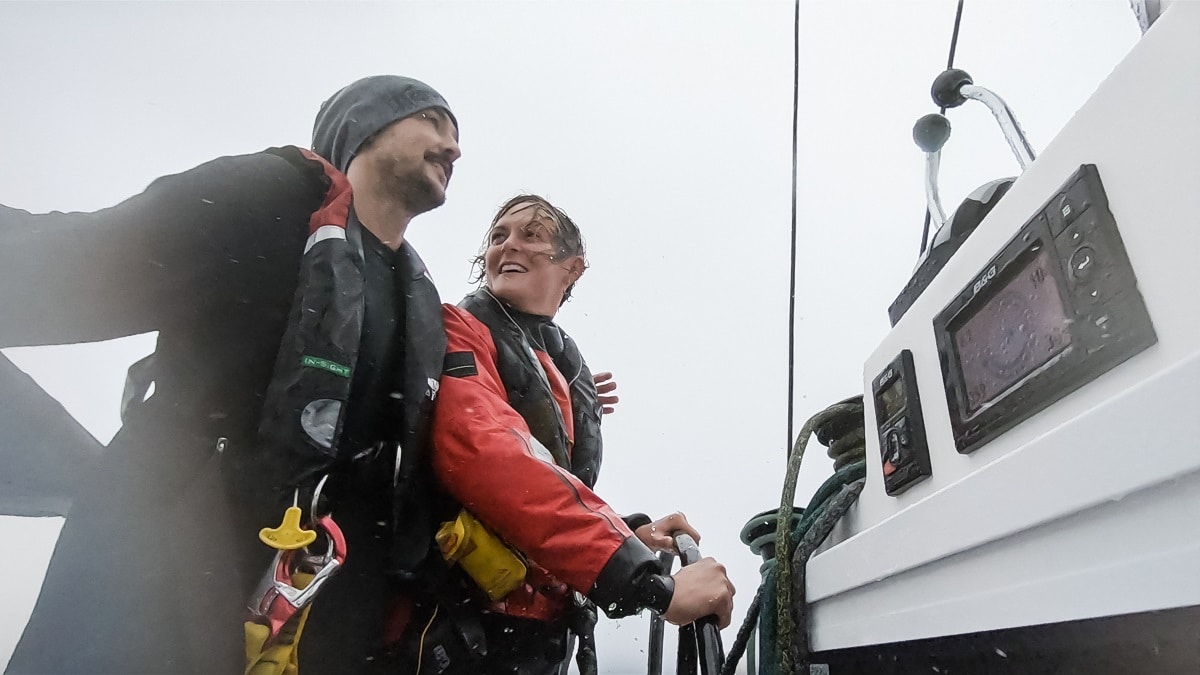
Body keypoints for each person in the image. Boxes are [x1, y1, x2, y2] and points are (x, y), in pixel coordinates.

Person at [0, 75, 463, 673]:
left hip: (313, 616)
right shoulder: (270, 198)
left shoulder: (422, 304)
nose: (453, 149)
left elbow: (451, 458)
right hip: (158, 570)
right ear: (364, 126)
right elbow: (79, 262)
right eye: (431, 122)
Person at [385, 195, 736, 674]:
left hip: (540, 635)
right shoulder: (461, 330)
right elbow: (490, 459)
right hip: (463, 629)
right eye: (498, 236)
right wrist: (646, 580)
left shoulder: (558, 364)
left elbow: (552, 479)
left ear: (573, 269)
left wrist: (631, 531)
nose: (509, 245)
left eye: (531, 235)